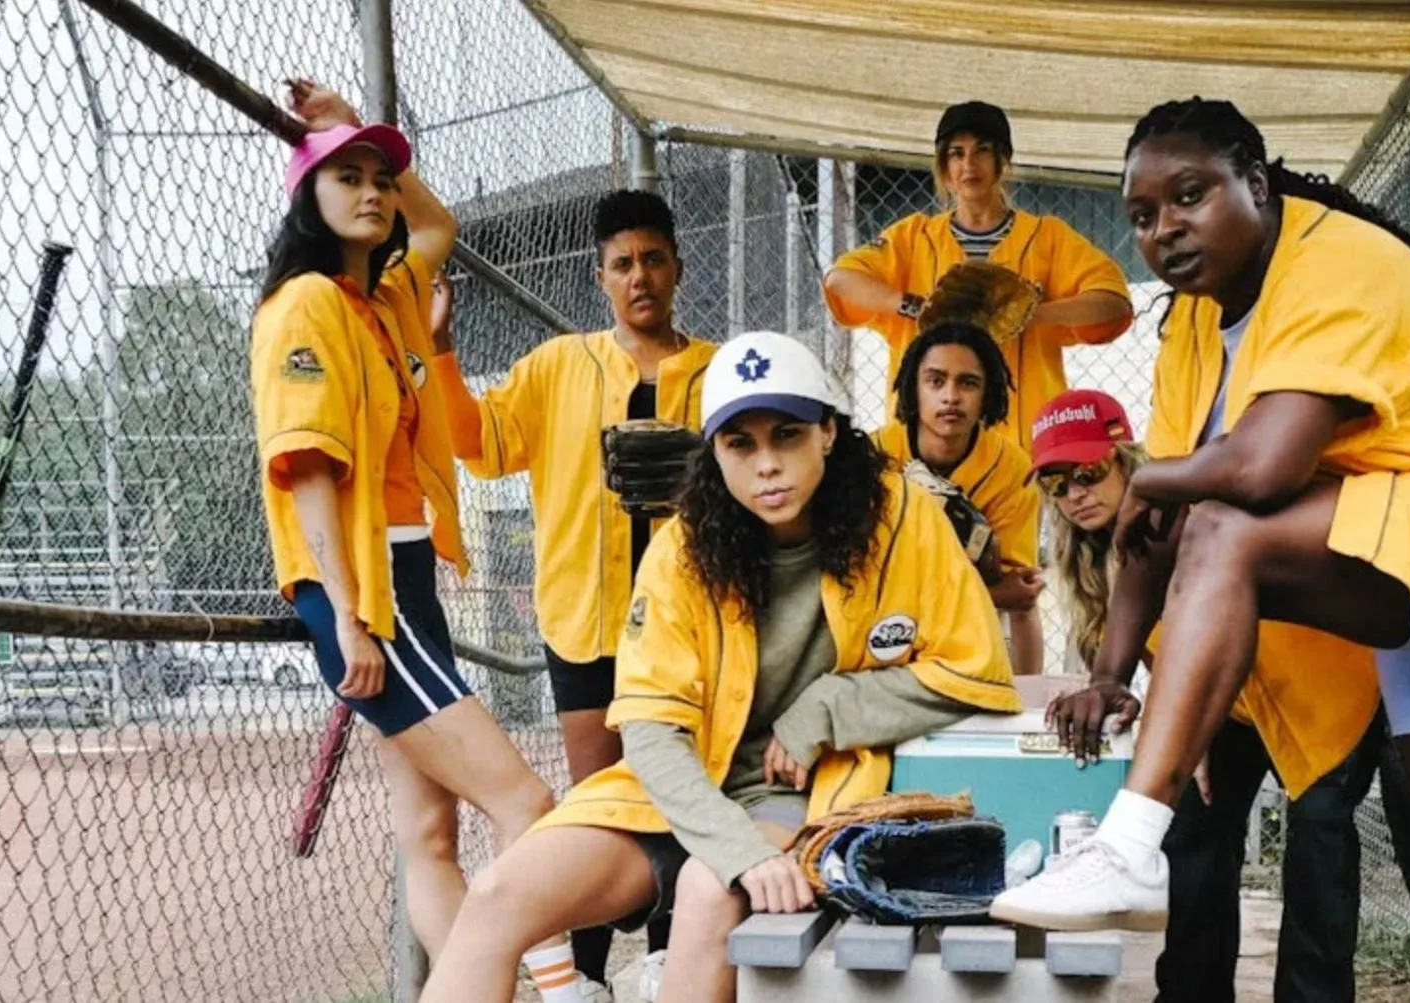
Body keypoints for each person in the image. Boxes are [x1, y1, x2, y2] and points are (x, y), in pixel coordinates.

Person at [992, 98, 1410, 1003]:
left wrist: (1156, 481)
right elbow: (1152, 533)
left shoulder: (1340, 262)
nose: (1165, 229)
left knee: (1222, 523)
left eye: (1190, 195)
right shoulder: (1194, 328)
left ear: (1256, 181)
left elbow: (1255, 469)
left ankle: (1127, 846)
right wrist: (1113, 672)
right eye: (1142, 214)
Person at [418, 331, 1023, 1003]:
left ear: (827, 432)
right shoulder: (684, 546)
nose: (767, 464)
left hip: (797, 791)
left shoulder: (899, 516)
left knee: (708, 889)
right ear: (715, 453)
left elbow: (975, 668)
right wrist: (741, 847)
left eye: (786, 435)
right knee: (497, 895)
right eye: (741, 444)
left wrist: (827, 706)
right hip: (679, 789)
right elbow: (649, 732)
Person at [246, 79, 572, 1001]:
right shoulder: (305, 304)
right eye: (345, 176)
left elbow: (439, 228)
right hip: (364, 589)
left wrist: (350, 118)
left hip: (407, 573)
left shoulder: (380, 299)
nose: (373, 191)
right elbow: (308, 468)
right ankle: (562, 990)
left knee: (429, 838)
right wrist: (350, 620)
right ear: (305, 196)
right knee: (525, 803)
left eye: (380, 178)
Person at [430, 188, 715, 1001]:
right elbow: (481, 446)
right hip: (586, 624)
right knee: (598, 797)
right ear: (600, 278)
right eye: (622, 263)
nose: (639, 277)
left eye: (653, 259)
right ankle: (585, 977)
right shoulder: (560, 366)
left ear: (677, 268)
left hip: (689, 631)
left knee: (678, 789)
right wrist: (443, 351)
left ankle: (666, 958)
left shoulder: (715, 370)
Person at [1030, 387, 1386, 1003]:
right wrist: (1184, 726)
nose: (1074, 494)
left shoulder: (1175, 512)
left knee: (1320, 842)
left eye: (1088, 473)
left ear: (1128, 459)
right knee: (1191, 830)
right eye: (1055, 485)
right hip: (1230, 698)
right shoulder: (1088, 562)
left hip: (1316, 681)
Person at [821, 100, 1135, 452]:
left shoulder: (1046, 237)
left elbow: (1113, 302)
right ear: (944, 165)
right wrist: (913, 307)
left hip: (1026, 444)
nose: (969, 164)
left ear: (1002, 160)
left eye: (982, 150)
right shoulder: (914, 238)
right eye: (956, 153)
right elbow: (840, 279)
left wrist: (1031, 314)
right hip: (926, 448)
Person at [873, 322, 1046, 674]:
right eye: (935, 381)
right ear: (913, 389)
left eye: (968, 383)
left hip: (971, 610)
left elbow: (1016, 586)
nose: (950, 396)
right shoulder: (874, 454)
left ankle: (1022, 707)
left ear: (988, 394)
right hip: (884, 608)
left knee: (1026, 606)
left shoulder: (1012, 468)